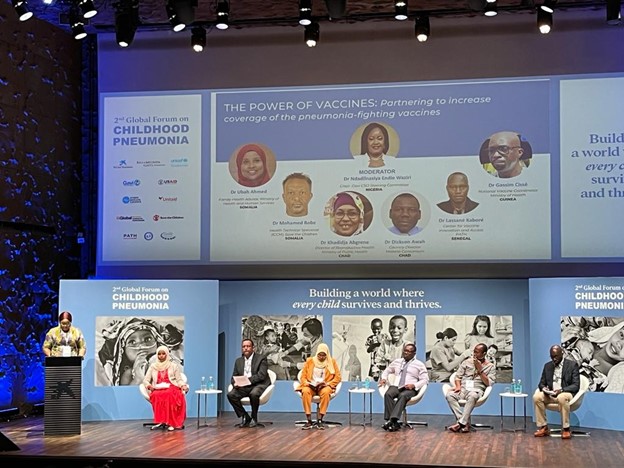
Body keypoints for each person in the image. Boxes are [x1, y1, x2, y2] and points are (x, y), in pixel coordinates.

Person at [96, 317, 184, 386]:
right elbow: (126, 394)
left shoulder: (168, 361)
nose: (141, 346)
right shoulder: (129, 373)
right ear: (123, 351)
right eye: (132, 342)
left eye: (148, 339)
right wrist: (138, 379)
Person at [446, 343, 496, 433]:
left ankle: (461, 423)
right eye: (474, 351)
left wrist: (480, 370)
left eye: (477, 352)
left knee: (473, 395)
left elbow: (489, 383)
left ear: (484, 353)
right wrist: (457, 386)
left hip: (476, 390)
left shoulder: (490, 366)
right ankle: (463, 422)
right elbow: (457, 377)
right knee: (449, 395)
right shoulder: (466, 362)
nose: (474, 354)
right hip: (463, 389)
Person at [533, 344, 580, 439]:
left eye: (556, 356)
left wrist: (561, 390)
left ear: (562, 353)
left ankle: (566, 428)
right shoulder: (547, 366)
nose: (554, 359)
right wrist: (544, 389)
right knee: (537, 397)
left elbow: (576, 385)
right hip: (551, 394)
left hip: (565, 393)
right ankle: (543, 427)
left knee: (561, 397)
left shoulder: (572, 365)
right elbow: (541, 383)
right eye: (552, 357)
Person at [379, 343, 429, 432]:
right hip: (397, 386)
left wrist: (414, 385)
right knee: (388, 394)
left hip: (409, 388)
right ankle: (392, 422)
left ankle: (392, 421)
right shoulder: (397, 362)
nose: (405, 353)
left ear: (414, 353)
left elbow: (425, 380)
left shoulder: (419, 364)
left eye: (408, 351)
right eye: (404, 351)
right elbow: (387, 371)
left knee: (403, 396)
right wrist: (383, 378)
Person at [142, 345, 189, 431]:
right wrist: (149, 386)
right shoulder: (153, 366)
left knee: (169, 394)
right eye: (159, 354)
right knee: (156, 395)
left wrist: (183, 385)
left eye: (163, 354)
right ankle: (162, 420)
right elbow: (146, 380)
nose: (161, 356)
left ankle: (172, 422)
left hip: (171, 386)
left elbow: (179, 379)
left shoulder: (173, 366)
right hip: (158, 388)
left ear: (167, 354)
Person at [295, 343, 341, 430]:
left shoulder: (332, 362)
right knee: (305, 391)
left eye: (324, 355)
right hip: (311, 385)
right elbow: (303, 376)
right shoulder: (310, 361)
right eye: (320, 355)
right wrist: (307, 383)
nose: (321, 357)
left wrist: (328, 384)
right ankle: (309, 420)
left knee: (326, 392)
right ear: (317, 353)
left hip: (324, 386)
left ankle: (320, 419)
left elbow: (338, 377)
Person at [227, 339, 271, 428]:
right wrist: (235, 383)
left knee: (254, 394)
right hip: (243, 386)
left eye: (248, 346)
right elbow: (233, 377)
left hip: (258, 384)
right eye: (244, 347)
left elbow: (261, 376)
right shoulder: (238, 361)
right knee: (231, 395)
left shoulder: (261, 358)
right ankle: (245, 416)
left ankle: (254, 418)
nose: (246, 348)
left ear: (253, 348)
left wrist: (247, 381)